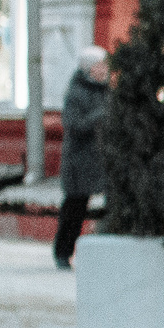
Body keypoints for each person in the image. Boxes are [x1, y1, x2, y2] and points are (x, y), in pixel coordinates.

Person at [54, 45, 111, 270]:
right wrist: (100, 115)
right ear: (88, 68)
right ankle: (63, 251)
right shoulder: (76, 93)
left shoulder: (107, 91)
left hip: (103, 160)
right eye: (100, 65)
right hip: (79, 162)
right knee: (75, 209)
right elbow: (74, 125)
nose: (105, 69)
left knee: (111, 205)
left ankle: (108, 250)